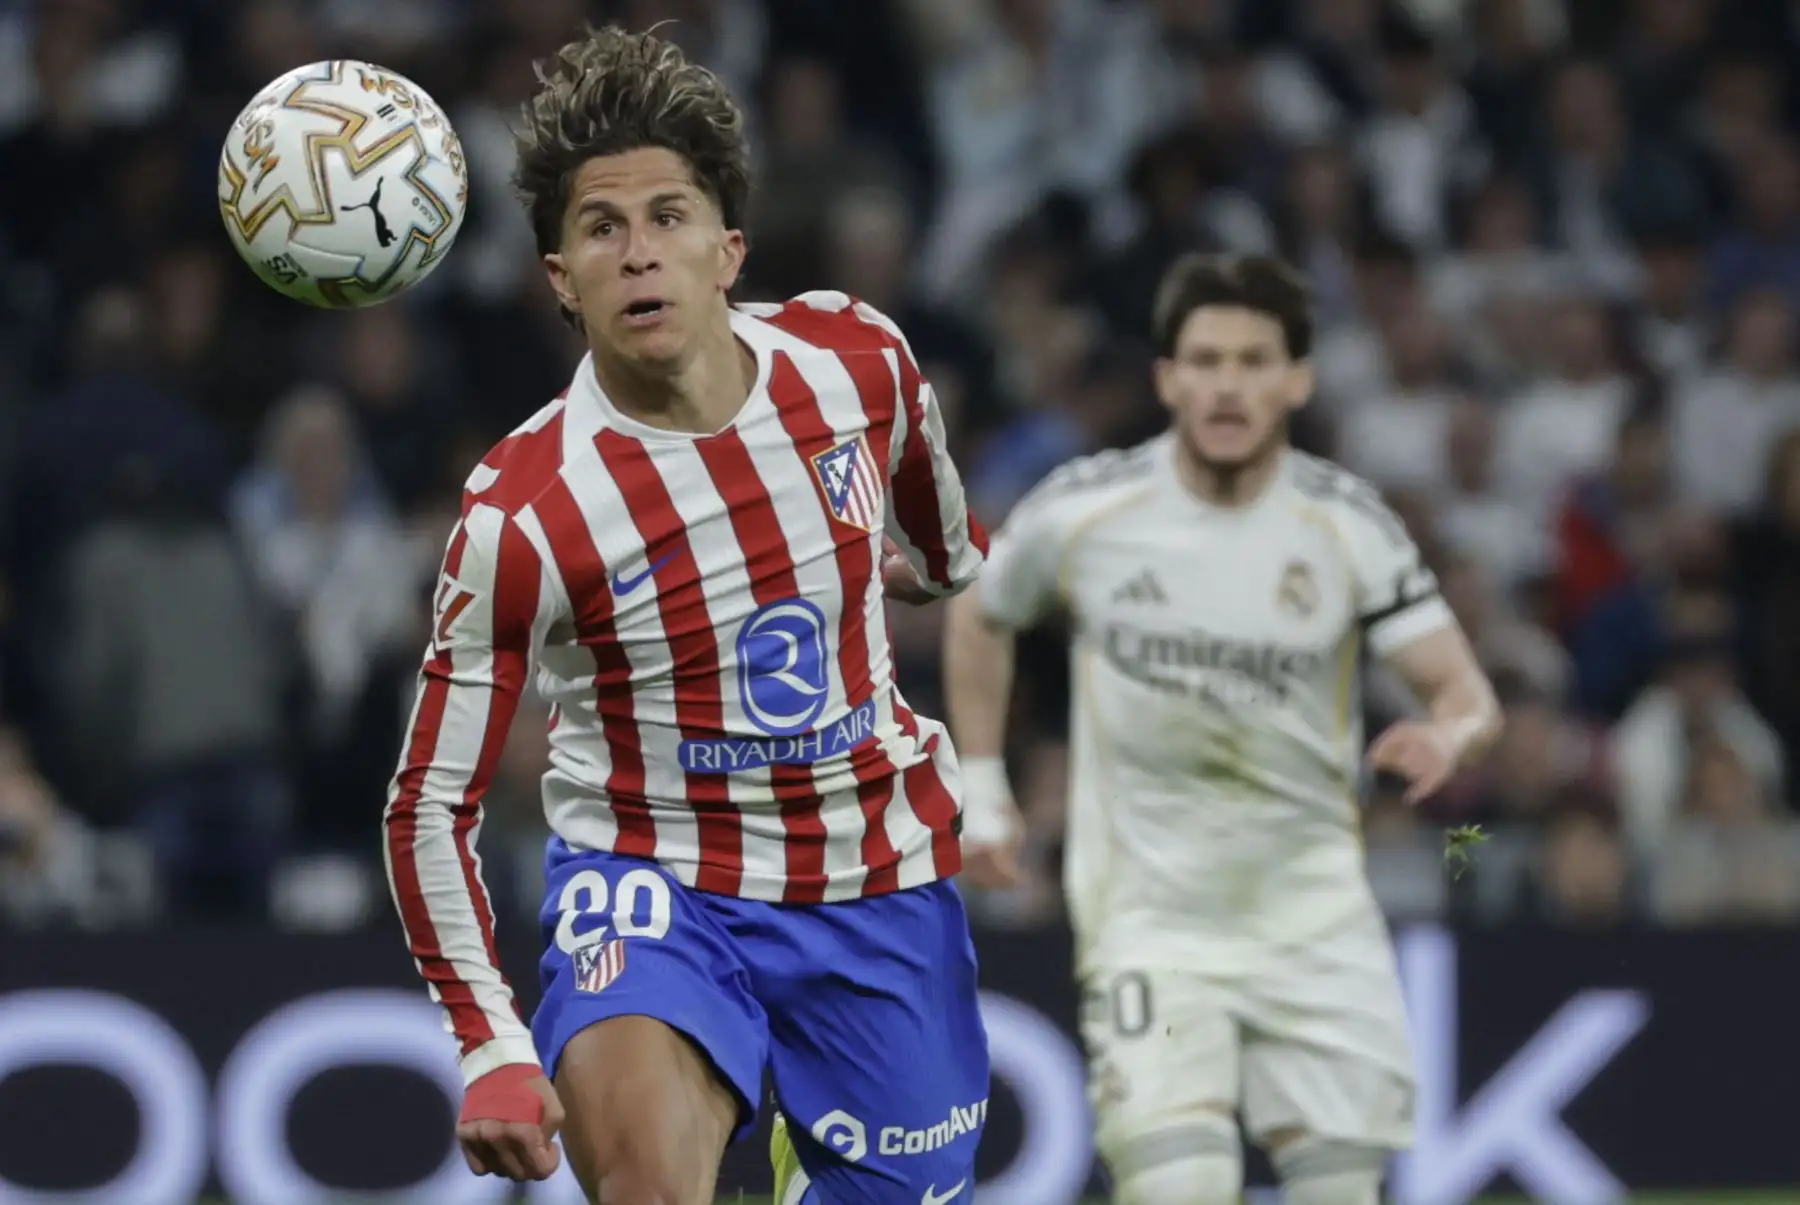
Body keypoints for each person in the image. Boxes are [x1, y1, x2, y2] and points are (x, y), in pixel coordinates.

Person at [382, 26, 991, 1205]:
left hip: (875, 876)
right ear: (561, 278)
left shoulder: (859, 363)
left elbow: (947, 540)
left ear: (729, 248)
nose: (638, 252)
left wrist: (930, 566)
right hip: (654, 875)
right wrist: (491, 1039)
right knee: (653, 1187)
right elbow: (428, 804)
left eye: (669, 215)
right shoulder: (528, 513)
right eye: (601, 228)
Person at [942, 253, 1503, 1205]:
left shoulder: (1345, 527)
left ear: (1299, 378)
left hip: (1314, 918)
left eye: (1254, 360)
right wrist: (985, 788)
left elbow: (1468, 692)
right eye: (1204, 360)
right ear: (1167, 378)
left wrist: (1449, 738)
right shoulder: (1088, 510)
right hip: (1151, 920)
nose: (1227, 385)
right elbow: (980, 611)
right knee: (1179, 1188)